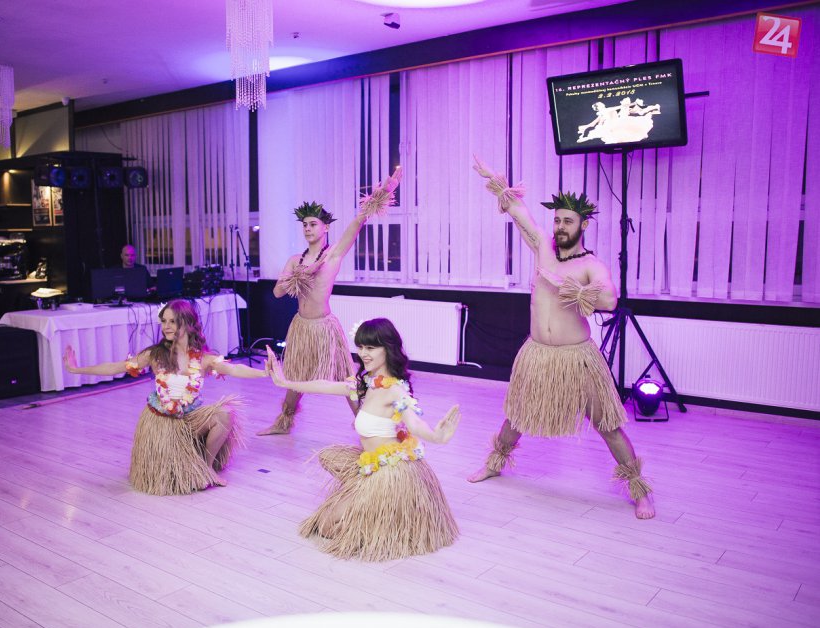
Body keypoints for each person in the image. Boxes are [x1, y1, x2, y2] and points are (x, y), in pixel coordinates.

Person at [468, 156, 655, 520]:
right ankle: (494, 463)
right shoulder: (542, 247)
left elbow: (609, 299)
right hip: (538, 355)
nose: (560, 226)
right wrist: (496, 181)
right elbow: (519, 211)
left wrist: (571, 287)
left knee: (607, 425)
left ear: (583, 225)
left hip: (577, 359)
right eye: (557, 220)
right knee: (516, 417)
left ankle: (640, 490)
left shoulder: (590, 265)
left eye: (568, 221)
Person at [265, 318, 461, 561]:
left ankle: (385, 520)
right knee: (327, 463)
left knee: (327, 527)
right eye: (360, 347)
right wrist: (284, 382)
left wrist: (436, 437)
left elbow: (414, 423)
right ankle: (372, 506)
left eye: (370, 348)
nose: (363, 354)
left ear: (387, 348)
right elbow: (324, 385)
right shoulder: (367, 384)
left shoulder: (395, 391)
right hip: (371, 465)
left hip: (389, 472)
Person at [63, 299, 268, 494]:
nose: (166, 326)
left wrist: (264, 373)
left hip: (189, 419)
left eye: (172, 321)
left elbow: (234, 369)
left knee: (225, 414)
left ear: (188, 323)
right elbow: (115, 367)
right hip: (162, 423)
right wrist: (76, 369)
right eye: (164, 321)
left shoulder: (204, 358)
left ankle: (206, 469)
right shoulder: (155, 355)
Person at [258, 167, 402, 435]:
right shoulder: (295, 260)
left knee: (346, 379)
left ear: (325, 227)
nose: (308, 228)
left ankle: (366, 425)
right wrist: (301, 274)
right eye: (304, 225)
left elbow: (358, 221)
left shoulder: (333, 256)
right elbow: (277, 292)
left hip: (325, 327)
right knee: (294, 377)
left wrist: (384, 191)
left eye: (313, 224)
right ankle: (283, 422)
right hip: (301, 327)